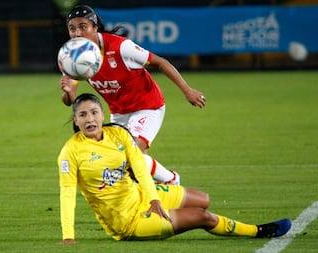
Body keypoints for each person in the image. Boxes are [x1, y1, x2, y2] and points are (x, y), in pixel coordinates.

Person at [57, 93, 291, 243]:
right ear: (75, 120)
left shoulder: (118, 133)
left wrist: (153, 199)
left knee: (203, 199)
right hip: (128, 221)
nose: (90, 119)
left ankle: (167, 201)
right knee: (203, 217)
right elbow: (67, 194)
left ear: (103, 114)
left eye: (94, 112)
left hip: (141, 197)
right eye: (83, 114)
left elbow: (139, 168)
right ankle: (257, 231)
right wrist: (68, 237)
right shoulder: (71, 151)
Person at [59, 4, 207, 185]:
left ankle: (171, 180)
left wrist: (187, 90)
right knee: (122, 163)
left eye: (83, 27)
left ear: (95, 27)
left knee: (131, 152)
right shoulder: (73, 56)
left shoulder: (120, 47)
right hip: (119, 113)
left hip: (148, 106)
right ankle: (150, 193)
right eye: (72, 29)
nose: (77, 33)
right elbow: (70, 101)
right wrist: (67, 92)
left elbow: (161, 62)